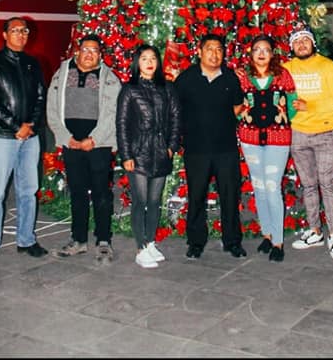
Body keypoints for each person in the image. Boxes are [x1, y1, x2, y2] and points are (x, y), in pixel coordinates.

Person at [0, 16, 47, 269]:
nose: (21, 34)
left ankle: (26, 240)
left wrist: (30, 126)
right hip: (2, 138)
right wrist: (16, 127)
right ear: (5, 35)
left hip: (30, 138)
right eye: (15, 30)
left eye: (24, 30)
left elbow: (41, 96)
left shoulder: (32, 64)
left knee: (28, 191)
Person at [46, 33, 121, 263]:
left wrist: (94, 139)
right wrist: (65, 137)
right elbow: (52, 108)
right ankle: (78, 240)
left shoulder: (109, 79)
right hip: (71, 143)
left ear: (101, 55)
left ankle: (103, 241)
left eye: (94, 51)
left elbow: (112, 114)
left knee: (101, 193)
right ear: (77, 51)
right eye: (85, 49)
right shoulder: (62, 74)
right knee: (77, 192)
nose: (89, 54)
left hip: (99, 144)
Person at [174, 34, 246, 259]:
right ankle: (196, 241)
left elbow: (238, 107)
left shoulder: (230, 79)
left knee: (230, 196)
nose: (214, 54)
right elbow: (175, 111)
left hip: (226, 149)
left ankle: (232, 240)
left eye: (219, 50)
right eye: (209, 49)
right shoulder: (186, 79)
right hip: (196, 150)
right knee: (197, 196)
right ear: (199, 51)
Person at [116, 44, 182, 269]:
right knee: (140, 200)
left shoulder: (168, 88)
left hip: (161, 151)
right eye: (144, 58)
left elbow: (175, 119)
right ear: (137, 63)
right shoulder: (130, 89)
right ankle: (140, 247)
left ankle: (151, 242)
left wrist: (172, 146)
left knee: (154, 201)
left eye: (153, 58)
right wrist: (126, 154)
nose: (149, 62)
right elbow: (122, 124)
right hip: (138, 152)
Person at [284, 22, 333, 260]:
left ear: (312, 42)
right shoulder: (286, 67)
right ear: (292, 46)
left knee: (327, 183)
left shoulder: (327, 66)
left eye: (305, 40)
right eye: (296, 41)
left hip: (325, 132)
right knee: (308, 185)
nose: (301, 44)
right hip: (298, 133)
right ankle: (314, 230)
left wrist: (310, 105)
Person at [236, 36, 297, 262]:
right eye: (257, 50)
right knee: (259, 187)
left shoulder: (282, 75)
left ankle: (278, 242)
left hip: (277, 139)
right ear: (251, 53)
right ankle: (267, 234)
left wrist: (285, 118)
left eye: (266, 50)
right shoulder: (243, 77)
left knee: (272, 187)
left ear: (272, 54)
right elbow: (234, 103)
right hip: (250, 138)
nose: (261, 53)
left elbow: (293, 103)